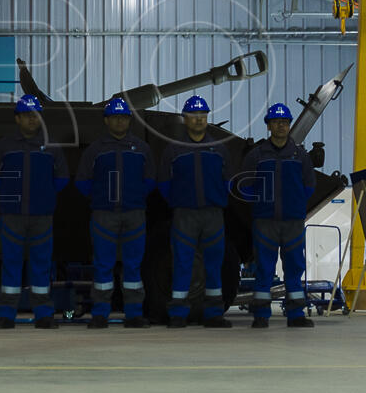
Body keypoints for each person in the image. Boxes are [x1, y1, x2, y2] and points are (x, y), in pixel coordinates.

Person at [0, 94, 69, 329]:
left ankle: (43, 314)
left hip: (42, 216)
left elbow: (62, 178)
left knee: (41, 265)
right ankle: (6, 315)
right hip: (12, 216)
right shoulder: (5, 146)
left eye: (35, 115)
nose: (32, 119)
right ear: (17, 119)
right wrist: (8, 195)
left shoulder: (51, 146)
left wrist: (45, 196)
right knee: (11, 264)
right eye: (26, 115)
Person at [76, 97, 156, 329]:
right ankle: (101, 314)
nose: (119, 121)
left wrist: (136, 196)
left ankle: (133, 314)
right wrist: (100, 199)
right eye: (115, 117)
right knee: (103, 264)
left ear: (129, 120)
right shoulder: (95, 150)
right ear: (106, 121)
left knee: (133, 265)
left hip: (134, 214)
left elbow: (151, 179)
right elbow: (82, 181)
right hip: (104, 215)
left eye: (123, 117)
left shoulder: (142, 149)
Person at [158, 95, 233, 328]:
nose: (199, 120)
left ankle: (213, 314)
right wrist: (178, 201)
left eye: (202, 116)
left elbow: (229, 181)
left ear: (207, 118)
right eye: (193, 116)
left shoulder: (219, 149)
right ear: (185, 119)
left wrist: (217, 199)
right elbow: (163, 183)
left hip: (213, 215)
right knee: (182, 262)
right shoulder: (174, 150)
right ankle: (178, 314)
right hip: (184, 215)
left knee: (213, 264)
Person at [239, 102, 316, 329]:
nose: (281, 126)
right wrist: (261, 204)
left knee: (294, 266)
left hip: (292, 221)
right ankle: (261, 315)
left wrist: (296, 204)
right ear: (269, 126)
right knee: (264, 267)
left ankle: (295, 316)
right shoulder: (257, 156)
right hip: (265, 221)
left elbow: (309, 186)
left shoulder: (300, 156)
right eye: (276, 122)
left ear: (289, 125)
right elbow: (244, 185)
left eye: (284, 122)